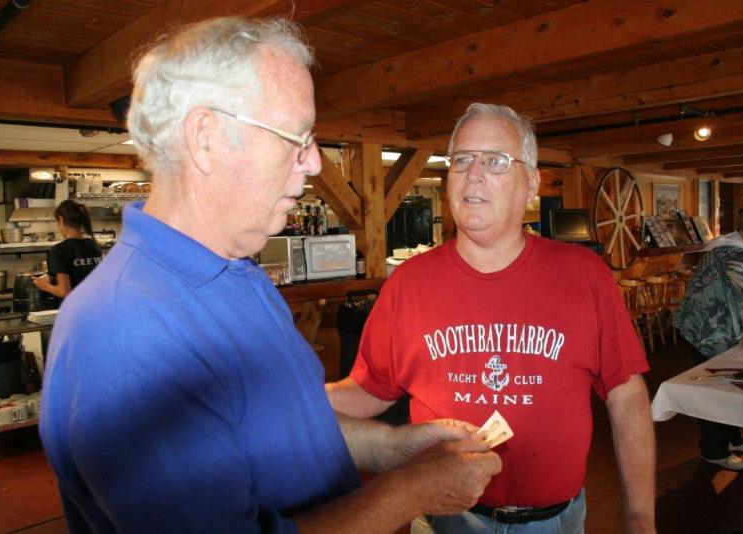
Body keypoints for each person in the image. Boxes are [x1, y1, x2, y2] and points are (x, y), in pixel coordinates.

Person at [38, 17, 502, 533]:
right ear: (206, 137)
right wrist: (410, 491)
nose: (314, 162)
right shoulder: (127, 334)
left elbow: (287, 420)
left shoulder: (238, 274)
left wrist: (392, 448)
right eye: (296, 137)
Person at [327, 103, 657, 533]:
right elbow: (369, 390)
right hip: (442, 517)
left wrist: (640, 516)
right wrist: (287, 402)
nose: (473, 174)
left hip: (554, 522)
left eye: (495, 161)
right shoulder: (408, 284)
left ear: (531, 183)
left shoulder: (584, 274)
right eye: (461, 160)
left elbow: (626, 395)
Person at [674, 208, 743, 471]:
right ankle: (713, 450)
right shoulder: (734, 254)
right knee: (715, 391)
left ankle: (734, 439)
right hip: (708, 333)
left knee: (729, 387)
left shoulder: (732, 245)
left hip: (716, 328)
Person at [33, 199, 102, 299]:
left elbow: (64, 292)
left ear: (60, 220)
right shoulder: (94, 246)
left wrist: (43, 285)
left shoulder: (58, 251)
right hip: (97, 306)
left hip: (75, 310)